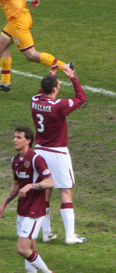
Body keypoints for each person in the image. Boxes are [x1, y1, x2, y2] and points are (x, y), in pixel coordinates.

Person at [29, 62, 87, 245]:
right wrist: (72, 76)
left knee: (45, 191)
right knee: (65, 191)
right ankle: (70, 236)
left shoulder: (34, 100)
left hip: (39, 152)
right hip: (58, 153)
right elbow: (81, 98)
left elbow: (42, 91)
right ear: (54, 89)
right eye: (58, 86)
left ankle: (46, 233)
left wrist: (50, 75)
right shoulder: (59, 106)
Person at [0, 0, 72, 92]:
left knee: (31, 55)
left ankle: (66, 67)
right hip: (24, 16)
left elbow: (13, 0)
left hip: (17, 22)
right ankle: (5, 82)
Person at [1, 127, 57, 273]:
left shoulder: (36, 159)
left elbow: (50, 182)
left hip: (35, 210)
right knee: (31, 248)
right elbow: (16, 184)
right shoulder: (15, 160)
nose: (14, 140)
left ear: (28, 140)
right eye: (14, 137)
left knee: (22, 248)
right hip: (22, 209)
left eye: (19, 137)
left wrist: (32, 185)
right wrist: (4, 203)